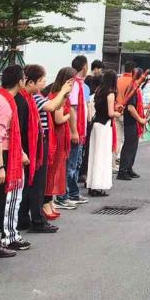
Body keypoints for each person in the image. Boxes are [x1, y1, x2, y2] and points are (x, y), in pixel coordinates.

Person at [17, 64, 72, 234]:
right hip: (37, 142)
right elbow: (50, 107)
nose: (44, 83)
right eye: (41, 80)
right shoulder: (32, 97)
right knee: (37, 183)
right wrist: (63, 92)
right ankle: (37, 219)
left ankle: (25, 218)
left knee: (32, 183)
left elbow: (54, 105)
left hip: (37, 141)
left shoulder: (31, 96)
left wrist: (64, 94)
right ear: (30, 82)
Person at [0, 64, 30, 253]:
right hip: (1, 156)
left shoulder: (4, 99)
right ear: (20, 81)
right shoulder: (3, 103)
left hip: (5, 154)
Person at [44, 67, 75, 215]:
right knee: (53, 170)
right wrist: (69, 116)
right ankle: (46, 201)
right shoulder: (58, 96)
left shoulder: (58, 95)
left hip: (59, 135)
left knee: (55, 169)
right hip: (57, 135)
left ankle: (49, 200)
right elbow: (58, 118)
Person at [85, 71, 119, 195]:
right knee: (102, 156)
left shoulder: (98, 92)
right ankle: (98, 185)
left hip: (96, 125)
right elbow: (110, 113)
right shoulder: (110, 94)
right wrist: (118, 113)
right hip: (104, 126)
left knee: (94, 155)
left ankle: (91, 184)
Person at [62, 54, 89, 206]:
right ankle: (66, 194)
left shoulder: (79, 84)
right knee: (71, 165)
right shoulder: (75, 84)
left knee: (76, 163)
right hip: (76, 130)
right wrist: (74, 131)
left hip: (80, 130)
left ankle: (72, 192)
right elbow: (72, 108)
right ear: (84, 66)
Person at [117, 65, 146, 182]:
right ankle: (122, 170)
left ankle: (129, 168)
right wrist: (140, 119)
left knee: (133, 145)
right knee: (128, 145)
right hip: (130, 120)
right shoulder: (132, 89)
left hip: (132, 120)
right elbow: (130, 107)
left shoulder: (135, 87)